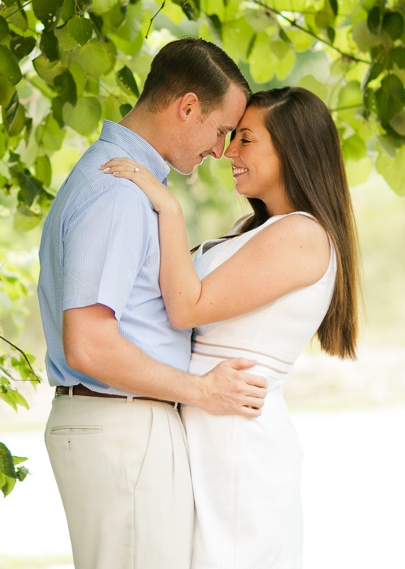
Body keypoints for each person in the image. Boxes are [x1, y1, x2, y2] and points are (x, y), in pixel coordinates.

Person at [102, 85, 361, 568]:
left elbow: (187, 308)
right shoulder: (259, 229)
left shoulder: (302, 234)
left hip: (239, 442)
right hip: (208, 428)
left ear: (292, 149)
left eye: (246, 140)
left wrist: (168, 208)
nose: (228, 153)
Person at [38, 37, 269, 569]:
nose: (219, 150)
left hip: (118, 427)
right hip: (124, 430)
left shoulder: (111, 178)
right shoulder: (119, 193)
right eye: (219, 131)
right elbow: (89, 344)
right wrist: (203, 390)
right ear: (187, 106)